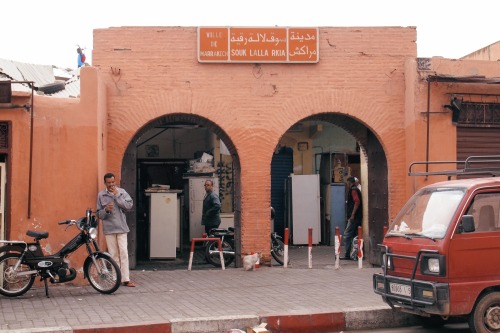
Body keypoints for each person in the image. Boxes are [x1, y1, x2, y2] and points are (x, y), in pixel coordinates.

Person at [96, 172, 135, 287]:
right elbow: (99, 214)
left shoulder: (122, 192)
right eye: (109, 183)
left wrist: (117, 195)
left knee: (124, 253)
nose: (111, 185)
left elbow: (129, 206)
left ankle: (126, 279)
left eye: (113, 182)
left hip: (122, 228)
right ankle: (116, 279)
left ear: (115, 181)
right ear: (105, 183)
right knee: (113, 255)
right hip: (109, 229)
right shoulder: (101, 195)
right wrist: (106, 210)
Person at [342, 176, 363, 260]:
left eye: (347, 183)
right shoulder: (356, 189)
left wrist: (352, 215)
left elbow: (357, 201)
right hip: (357, 217)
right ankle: (355, 254)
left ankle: (347, 254)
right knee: (355, 235)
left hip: (354, 217)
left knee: (347, 235)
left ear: (349, 183)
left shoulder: (353, 190)